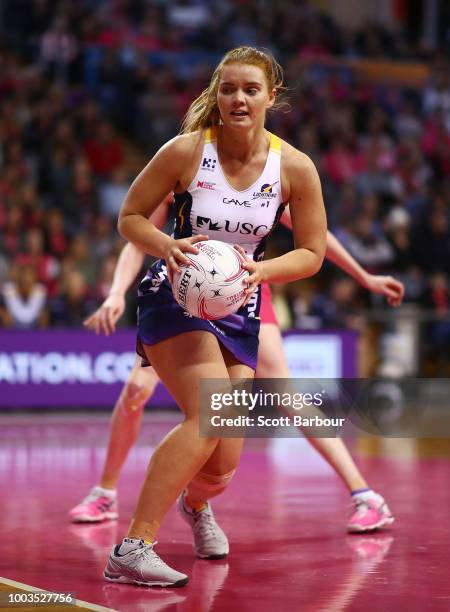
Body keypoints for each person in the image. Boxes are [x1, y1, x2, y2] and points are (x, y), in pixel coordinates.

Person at [102, 46, 328, 587]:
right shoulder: (184, 152)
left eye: (250, 89)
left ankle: (197, 507)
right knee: (209, 414)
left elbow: (312, 253)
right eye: (228, 89)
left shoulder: (295, 167)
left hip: (240, 306)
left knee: (221, 466)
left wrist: (261, 272)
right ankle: (133, 547)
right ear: (216, 94)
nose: (238, 99)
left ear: (272, 97)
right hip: (174, 295)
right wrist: (167, 245)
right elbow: (129, 217)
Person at [70, 212, 403, 534]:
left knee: (285, 394)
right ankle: (105, 492)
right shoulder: (185, 160)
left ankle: (364, 495)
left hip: (246, 289)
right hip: (186, 286)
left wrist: (364, 277)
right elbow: (138, 235)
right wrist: (117, 292)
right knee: (136, 390)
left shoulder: (271, 173)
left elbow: (315, 237)